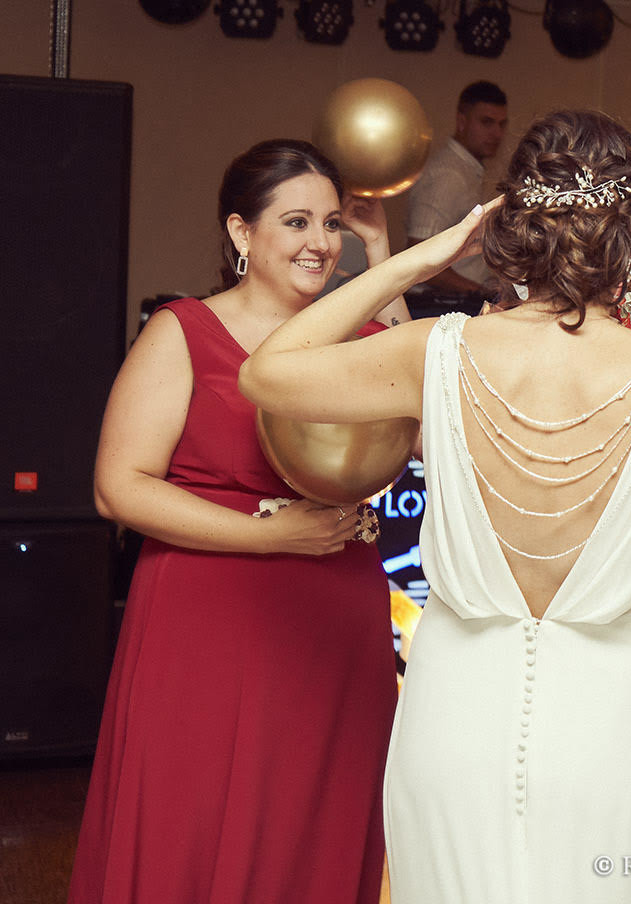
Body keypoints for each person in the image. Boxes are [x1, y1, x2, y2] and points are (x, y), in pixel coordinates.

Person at [238, 109, 631, 904]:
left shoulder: (434, 352)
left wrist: (416, 260)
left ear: (510, 226)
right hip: (608, 721)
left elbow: (267, 372)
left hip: (454, 713)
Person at [70, 140, 406, 904]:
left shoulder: (359, 344)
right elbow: (117, 488)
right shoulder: (184, 331)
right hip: (208, 613)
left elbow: (417, 418)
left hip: (333, 622)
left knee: (312, 816)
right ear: (241, 234)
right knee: (196, 814)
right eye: (295, 222)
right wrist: (268, 534)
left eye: (331, 223)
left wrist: (384, 258)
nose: (320, 242)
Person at [405, 80, 509, 296]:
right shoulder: (448, 174)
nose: (496, 134)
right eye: (487, 122)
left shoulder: (469, 169)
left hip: (462, 301)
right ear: (462, 121)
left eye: (501, 124)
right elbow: (419, 254)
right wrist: (481, 293)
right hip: (438, 306)